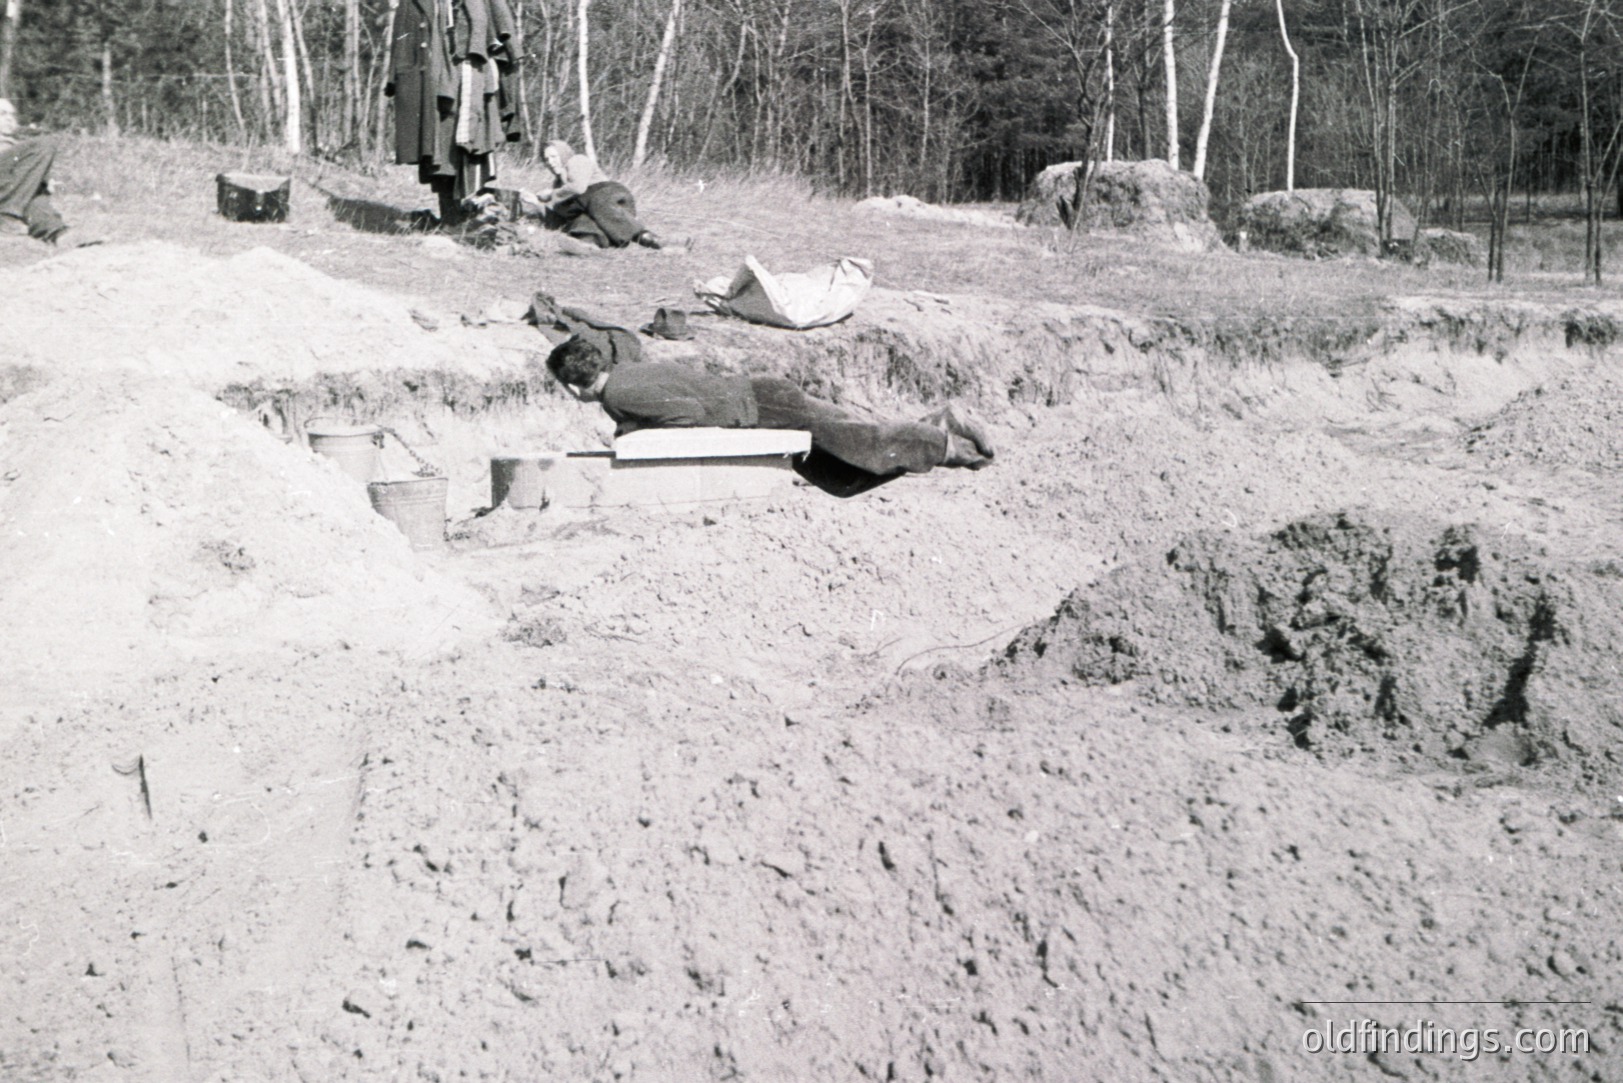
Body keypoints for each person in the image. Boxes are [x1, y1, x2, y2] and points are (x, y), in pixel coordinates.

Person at [546, 335, 993, 493]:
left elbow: (689, 412)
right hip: (762, 397)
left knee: (868, 449)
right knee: (843, 475)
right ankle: (937, 426)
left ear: (571, 385)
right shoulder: (627, 374)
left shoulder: (616, 396)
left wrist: (630, 426)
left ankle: (954, 444)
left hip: (764, 406)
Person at [538, 140, 662, 250]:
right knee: (582, 219)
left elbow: (578, 187)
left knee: (596, 200)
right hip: (599, 213)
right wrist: (536, 204)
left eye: (554, 156)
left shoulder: (577, 160)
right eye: (546, 159)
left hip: (611, 198)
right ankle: (589, 242)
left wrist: (551, 195)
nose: (550, 162)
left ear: (563, 153)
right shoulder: (559, 183)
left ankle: (642, 236)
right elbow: (563, 211)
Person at [0, 98, 69, 244]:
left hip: (7, 192)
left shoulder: (16, 143)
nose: (9, 119)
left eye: (12, 115)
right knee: (45, 144)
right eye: (2, 114)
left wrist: (44, 181)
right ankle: (6, 214)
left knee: (32, 195)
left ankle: (55, 232)